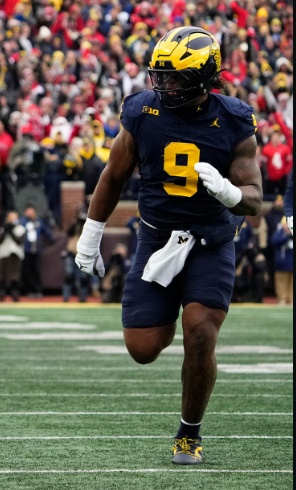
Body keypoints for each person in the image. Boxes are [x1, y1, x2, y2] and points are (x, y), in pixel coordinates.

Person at [74, 27, 262, 465]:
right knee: (143, 347)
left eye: (175, 77)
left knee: (200, 331)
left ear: (204, 77)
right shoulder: (142, 111)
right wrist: (91, 235)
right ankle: (173, 312)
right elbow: (113, 176)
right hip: (157, 236)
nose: (164, 85)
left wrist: (230, 194)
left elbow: (254, 197)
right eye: (159, 75)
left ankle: (189, 434)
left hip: (210, 238)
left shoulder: (234, 119)